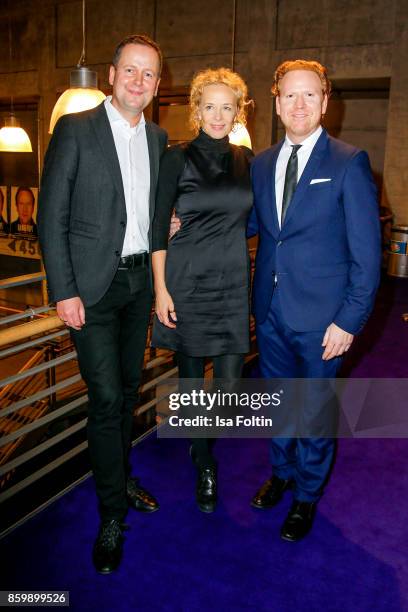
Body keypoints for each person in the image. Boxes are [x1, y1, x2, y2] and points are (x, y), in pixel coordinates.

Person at [38, 34, 167, 574]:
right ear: (112, 74)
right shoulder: (76, 128)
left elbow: (152, 211)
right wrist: (63, 289)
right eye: (130, 71)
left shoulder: (160, 139)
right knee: (107, 397)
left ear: (159, 85)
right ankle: (111, 513)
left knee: (131, 390)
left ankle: (117, 473)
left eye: (150, 75)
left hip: (139, 285)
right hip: (91, 289)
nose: (139, 81)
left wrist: (172, 225)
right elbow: (52, 216)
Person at [248, 60, 381, 541]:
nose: (299, 105)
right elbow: (257, 227)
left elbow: (369, 256)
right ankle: (281, 473)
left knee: (313, 411)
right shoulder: (261, 163)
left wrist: (349, 320)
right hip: (270, 311)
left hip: (323, 319)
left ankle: (306, 495)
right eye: (289, 95)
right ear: (277, 102)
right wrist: (186, 225)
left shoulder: (349, 161)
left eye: (309, 95)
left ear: (325, 102)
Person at [151, 68, 253, 513]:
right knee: (192, 381)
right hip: (186, 281)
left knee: (229, 384)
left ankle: (199, 441)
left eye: (227, 106)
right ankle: (204, 459)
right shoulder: (177, 157)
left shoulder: (246, 159)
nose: (218, 114)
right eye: (209, 106)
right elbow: (156, 228)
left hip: (231, 280)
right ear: (196, 110)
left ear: (238, 112)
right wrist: (160, 289)